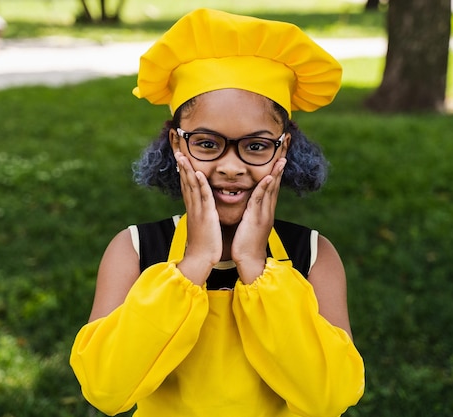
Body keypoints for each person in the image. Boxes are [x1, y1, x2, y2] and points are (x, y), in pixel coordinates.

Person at [70, 8, 365, 417]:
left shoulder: (313, 256)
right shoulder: (135, 250)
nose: (230, 166)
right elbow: (106, 390)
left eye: (257, 146)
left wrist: (256, 268)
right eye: (207, 144)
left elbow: (330, 397)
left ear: (284, 147)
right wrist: (192, 266)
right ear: (176, 144)